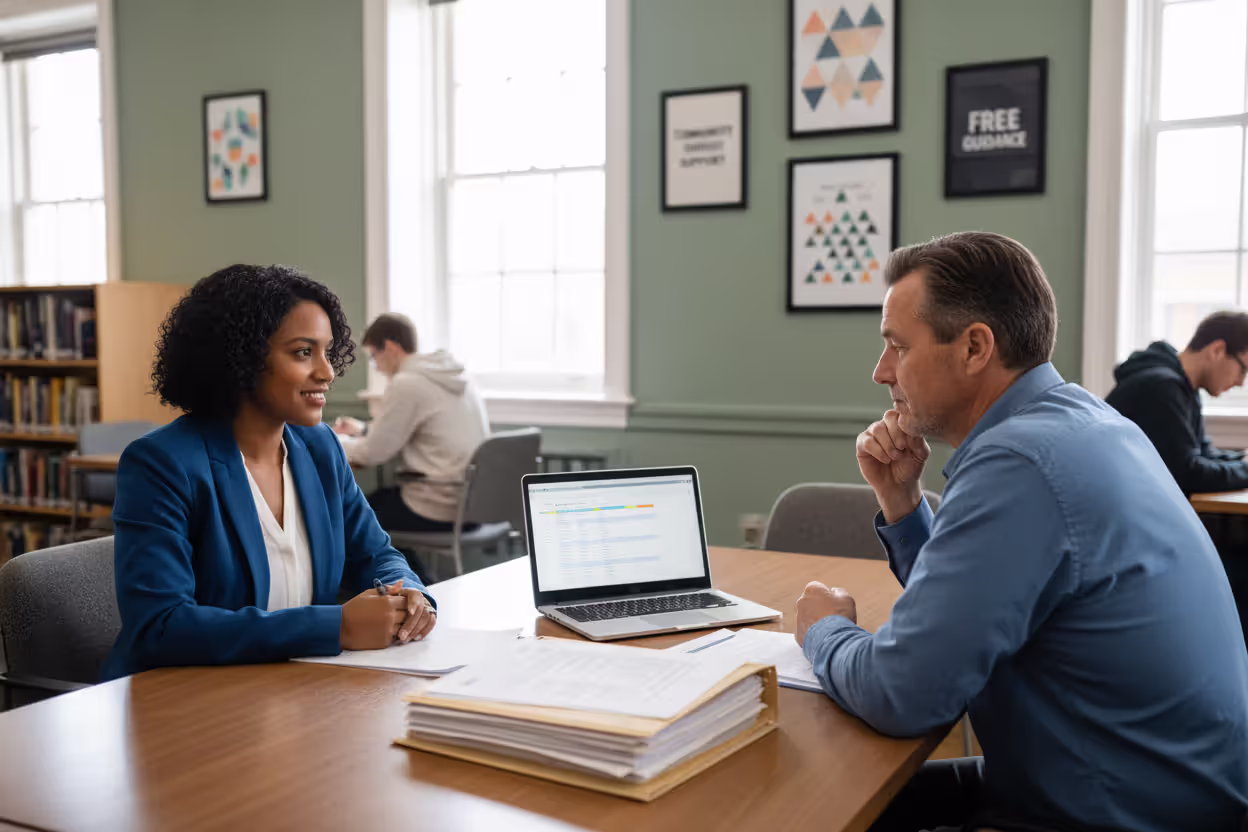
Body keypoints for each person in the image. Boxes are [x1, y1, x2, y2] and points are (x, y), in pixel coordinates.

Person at [793, 232, 1248, 831]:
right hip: (1154, 786)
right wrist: (902, 503)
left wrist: (822, 628)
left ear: (975, 347)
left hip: (1111, 811)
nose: (882, 372)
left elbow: (900, 694)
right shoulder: (1084, 420)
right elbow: (975, 604)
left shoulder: (1020, 462)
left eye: (897, 346)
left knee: (807, 803)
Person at [103, 266, 436, 681]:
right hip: (183, 701)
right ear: (241, 357)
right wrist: (337, 627)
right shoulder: (162, 464)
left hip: (287, 691)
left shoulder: (321, 449)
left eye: (328, 352)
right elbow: (160, 626)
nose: (327, 372)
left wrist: (411, 594)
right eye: (303, 352)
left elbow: (377, 554)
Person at [333, 313, 489, 536]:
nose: (376, 367)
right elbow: (419, 431)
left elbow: (372, 453)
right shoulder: (453, 375)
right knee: (376, 506)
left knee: (355, 517)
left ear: (390, 347)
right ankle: (418, 572)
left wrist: (334, 440)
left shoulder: (407, 383)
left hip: (438, 506)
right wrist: (363, 430)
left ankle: (418, 573)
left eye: (373, 357)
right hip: (472, 504)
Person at [1105, 311, 1248, 495]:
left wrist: (1241, 459)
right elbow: (1189, 474)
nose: (1240, 382)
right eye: (1243, 370)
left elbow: (1202, 454)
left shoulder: (1186, 388)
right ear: (1217, 351)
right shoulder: (1162, 388)